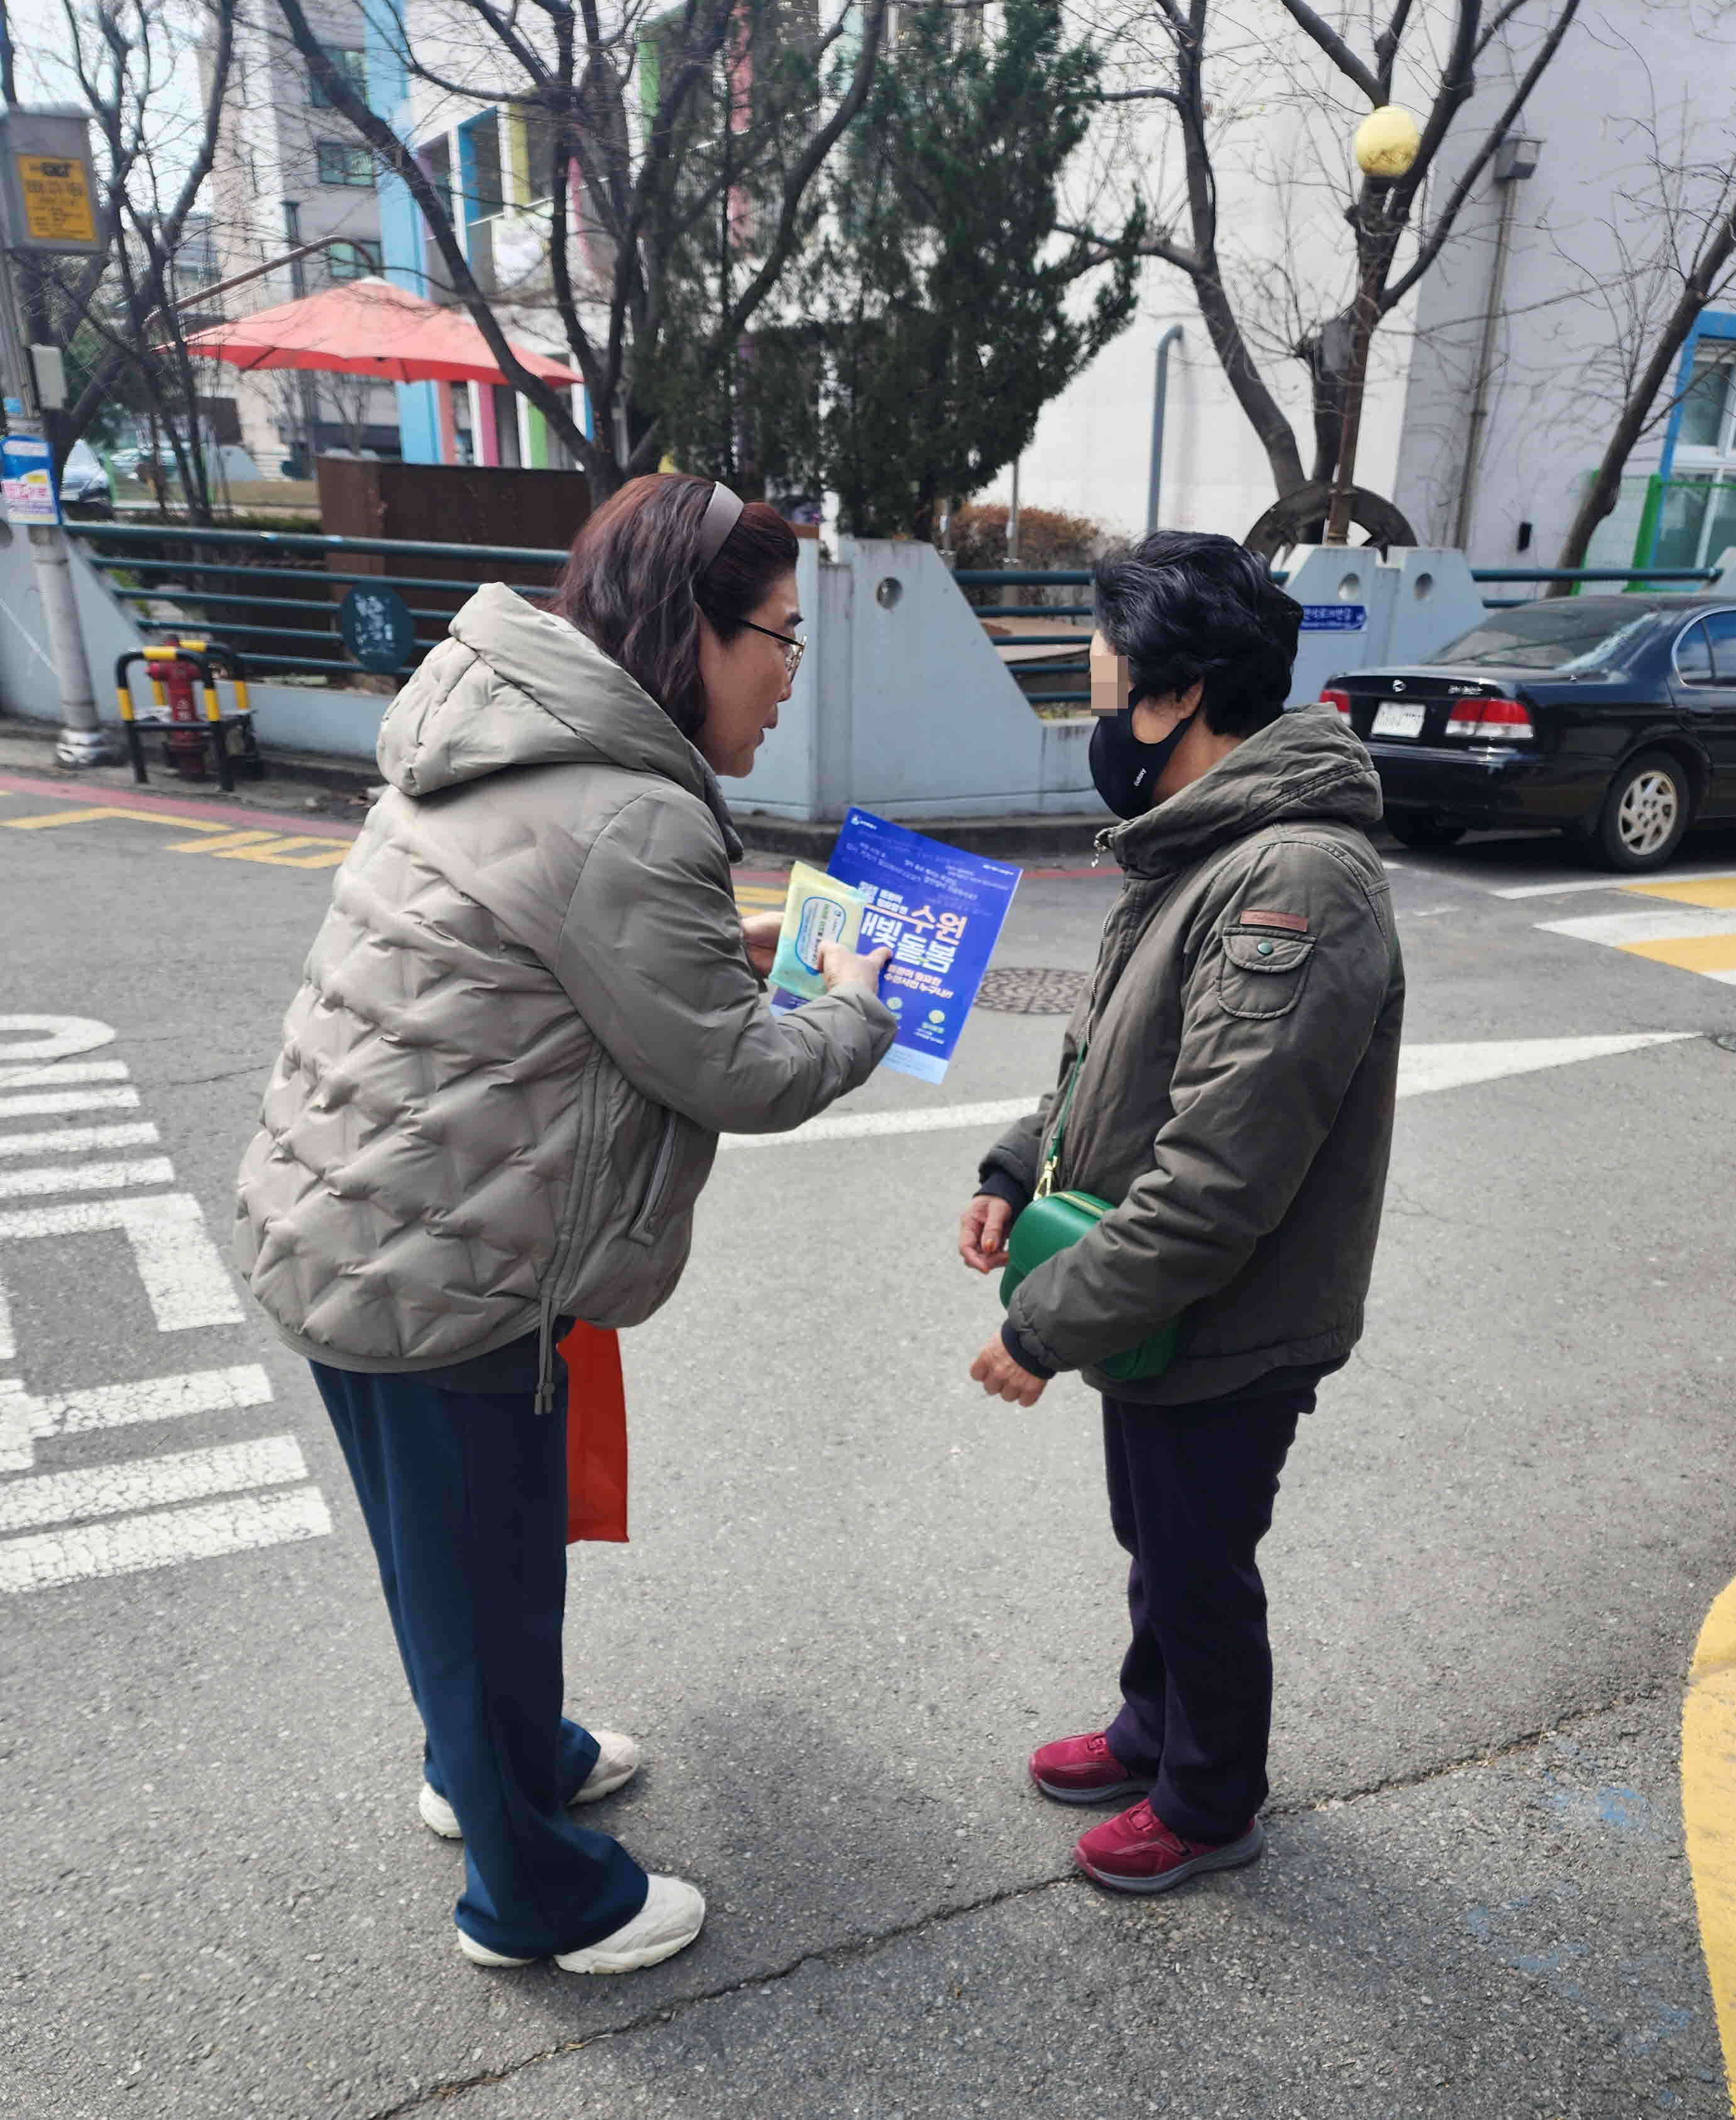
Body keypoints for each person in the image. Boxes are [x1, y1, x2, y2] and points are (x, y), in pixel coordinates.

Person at [234, 474, 894, 1974]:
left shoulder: (504, 733)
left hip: (348, 1220)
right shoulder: (639, 808)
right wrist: (855, 1012)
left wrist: (737, 940)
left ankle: (493, 1764)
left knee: (454, 1557)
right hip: (447, 1265)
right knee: (487, 1569)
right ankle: (529, 1896)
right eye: (783, 640)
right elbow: (734, 1066)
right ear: (696, 632)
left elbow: (555, 944)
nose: (794, 678)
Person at [958, 531, 1403, 1895]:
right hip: (1158, 1309)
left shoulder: (1294, 884)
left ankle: (1211, 1801)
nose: (1100, 725)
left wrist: (1044, 1328)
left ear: (1184, 694)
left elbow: (1219, 1178)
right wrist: (1012, 1166)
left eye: (1108, 694)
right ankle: (1155, 1730)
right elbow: (1111, 1064)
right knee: (1156, 1539)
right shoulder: (1201, 849)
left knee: (1201, 1565)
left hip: (1227, 1315)